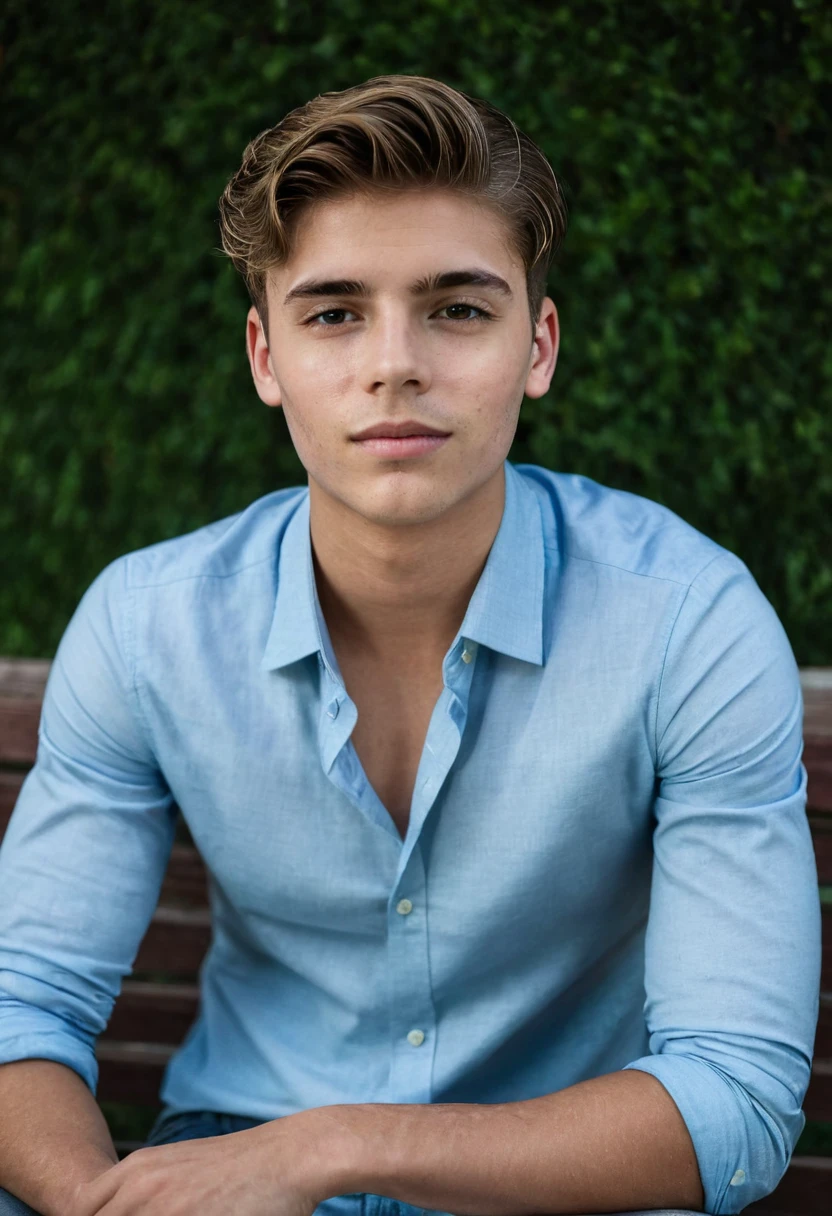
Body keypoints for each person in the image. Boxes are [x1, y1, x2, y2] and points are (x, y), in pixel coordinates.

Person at [0, 73, 821, 1216]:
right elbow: (17, 1007)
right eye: (334, 312)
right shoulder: (149, 626)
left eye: (458, 308)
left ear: (536, 345)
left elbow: (734, 1100)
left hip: (556, 1193)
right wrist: (96, 1203)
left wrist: (328, 1146)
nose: (396, 362)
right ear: (264, 356)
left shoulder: (688, 621)